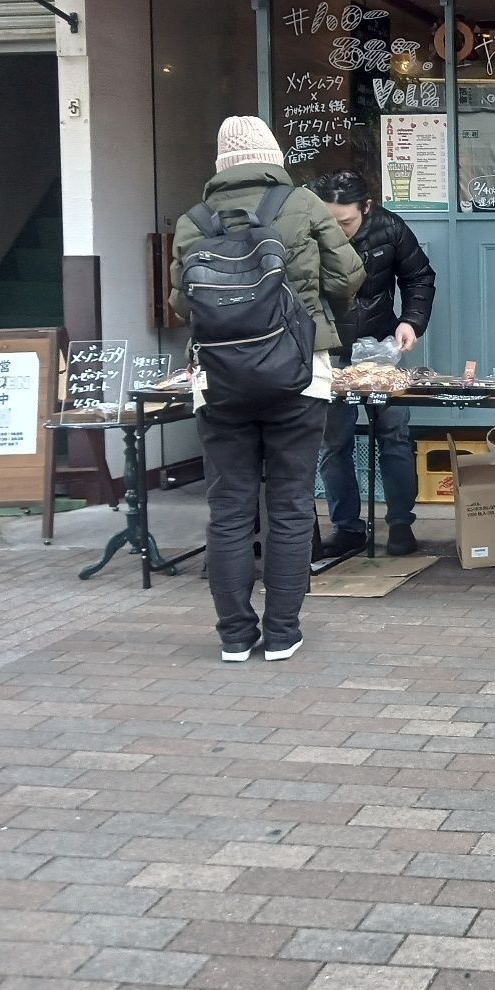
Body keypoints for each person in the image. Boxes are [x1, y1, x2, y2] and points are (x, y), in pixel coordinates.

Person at [170, 117, 363, 663]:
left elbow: (181, 303)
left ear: (220, 165)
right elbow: (348, 275)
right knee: (291, 500)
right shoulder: (301, 205)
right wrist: (313, 311)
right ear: (272, 155)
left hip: (220, 379)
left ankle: (234, 635)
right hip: (297, 372)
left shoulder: (193, 221)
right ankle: (282, 632)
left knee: (229, 506)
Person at [308, 170, 437, 559]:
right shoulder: (306, 234)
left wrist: (410, 322)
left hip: (381, 345)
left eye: (345, 222)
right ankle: (347, 528)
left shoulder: (390, 228)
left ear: (366, 207)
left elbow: (419, 277)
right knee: (333, 443)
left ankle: (401, 523)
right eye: (328, 221)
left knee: (394, 435)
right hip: (328, 350)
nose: (337, 230)